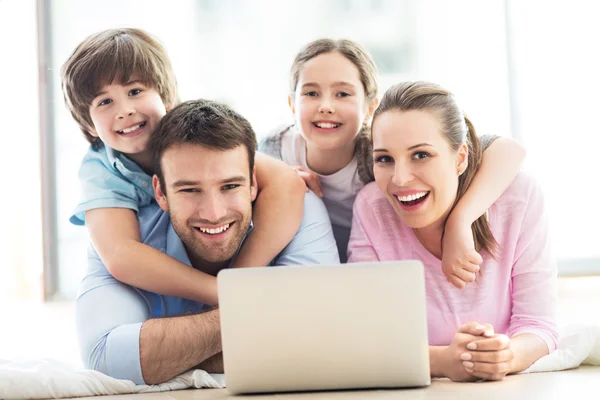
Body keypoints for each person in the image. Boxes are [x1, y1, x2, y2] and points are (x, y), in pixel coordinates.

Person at [76, 99, 340, 385]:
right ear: (160, 192)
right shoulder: (122, 235)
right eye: (190, 189)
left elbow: (320, 335)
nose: (214, 213)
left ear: (253, 182)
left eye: (230, 186)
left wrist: (167, 356)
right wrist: (264, 318)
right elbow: (106, 359)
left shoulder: (300, 207)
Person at [61, 28, 307, 306]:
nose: (124, 110)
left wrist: (237, 280)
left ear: (167, 96)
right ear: (88, 125)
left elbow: (286, 184)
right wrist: (217, 292)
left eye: (135, 91)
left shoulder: (189, 136)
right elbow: (121, 256)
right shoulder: (100, 169)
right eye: (105, 101)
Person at [259, 38, 526, 289]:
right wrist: (279, 179)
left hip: (366, 261)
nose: (326, 106)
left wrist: (461, 221)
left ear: (370, 107)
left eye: (342, 94)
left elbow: (509, 149)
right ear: (292, 104)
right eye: (311, 93)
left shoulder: (381, 155)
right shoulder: (275, 149)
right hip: (308, 264)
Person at [347, 81, 557, 381]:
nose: (400, 178)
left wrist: (506, 355)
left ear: (460, 158)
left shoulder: (517, 198)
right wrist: (443, 361)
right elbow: (367, 337)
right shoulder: (372, 209)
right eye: (385, 159)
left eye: (420, 155)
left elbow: (540, 326)